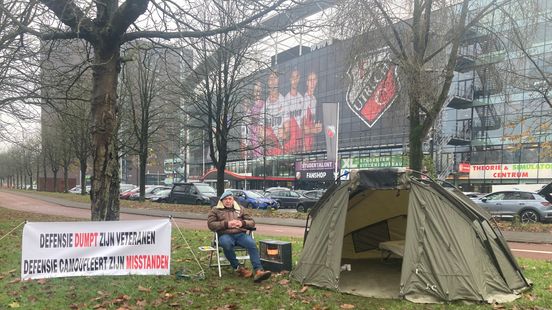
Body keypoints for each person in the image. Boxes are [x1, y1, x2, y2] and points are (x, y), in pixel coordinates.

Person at [207, 190, 272, 283]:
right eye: (225, 199)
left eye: (230, 199)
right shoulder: (215, 210)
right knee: (226, 244)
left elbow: (252, 222)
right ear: (221, 201)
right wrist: (226, 224)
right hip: (225, 234)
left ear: (233, 200)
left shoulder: (240, 209)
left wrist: (242, 223)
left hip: (240, 234)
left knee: (251, 243)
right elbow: (211, 224)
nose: (228, 201)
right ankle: (238, 268)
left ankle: (258, 271)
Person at [264, 72, 285, 156]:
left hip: (282, 149)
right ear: (268, 82)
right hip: (269, 150)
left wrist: (285, 133)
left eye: (275, 78)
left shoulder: (284, 102)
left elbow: (289, 130)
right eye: (270, 78)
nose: (272, 81)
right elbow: (260, 132)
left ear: (278, 80)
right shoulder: (264, 106)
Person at [302, 72, 322, 152]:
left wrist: (317, 128)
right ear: (307, 82)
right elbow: (303, 128)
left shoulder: (314, 100)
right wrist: (315, 129)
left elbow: (311, 123)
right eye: (310, 80)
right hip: (302, 142)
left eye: (314, 80)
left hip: (311, 140)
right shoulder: (303, 99)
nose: (312, 82)